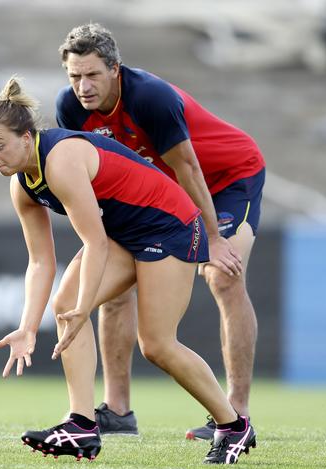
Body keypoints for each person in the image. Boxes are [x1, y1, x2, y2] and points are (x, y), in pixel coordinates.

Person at [0, 76, 256, 464]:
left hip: (170, 224)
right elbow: (40, 261)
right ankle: (81, 425)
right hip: (124, 233)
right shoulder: (22, 186)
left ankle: (233, 426)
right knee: (66, 307)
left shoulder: (60, 161)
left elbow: (94, 243)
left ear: (27, 137)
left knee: (157, 344)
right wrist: (27, 326)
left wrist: (85, 305)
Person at [56, 23, 266, 440]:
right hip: (164, 192)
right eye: (75, 76)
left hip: (226, 178)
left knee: (223, 275)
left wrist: (215, 237)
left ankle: (236, 410)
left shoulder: (150, 97)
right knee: (111, 286)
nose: (83, 86)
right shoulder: (72, 108)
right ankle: (118, 411)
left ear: (115, 69)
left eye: (92, 74)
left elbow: (189, 168)